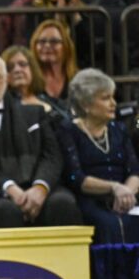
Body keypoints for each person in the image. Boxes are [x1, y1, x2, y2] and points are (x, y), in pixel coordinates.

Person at [0, 53, 81, 228]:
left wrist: (40, 187)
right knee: (6, 210)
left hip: (37, 185)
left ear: (6, 80)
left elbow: (52, 156)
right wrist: (8, 187)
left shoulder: (34, 114)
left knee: (62, 204)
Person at [58, 69, 139, 243]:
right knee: (108, 225)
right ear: (85, 104)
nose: (113, 103)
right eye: (105, 98)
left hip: (126, 198)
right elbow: (75, 177)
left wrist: (126, 193)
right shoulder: (68, 131)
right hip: (90, 198)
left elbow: (135, 171)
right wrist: (114, 188)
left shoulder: (119, 129)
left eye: (113, 97)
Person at [1, 45, 64, 119]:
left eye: (22, 64)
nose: (17, 70)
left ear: (32, 69)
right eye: (10, 67)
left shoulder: (48, 99)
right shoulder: (5, 106)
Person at [30, 18, 77, 107]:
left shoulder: (77, 79)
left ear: (66, 47)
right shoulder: (28, 79)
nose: (47, 45)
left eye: (54, 41)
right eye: (42, 41)